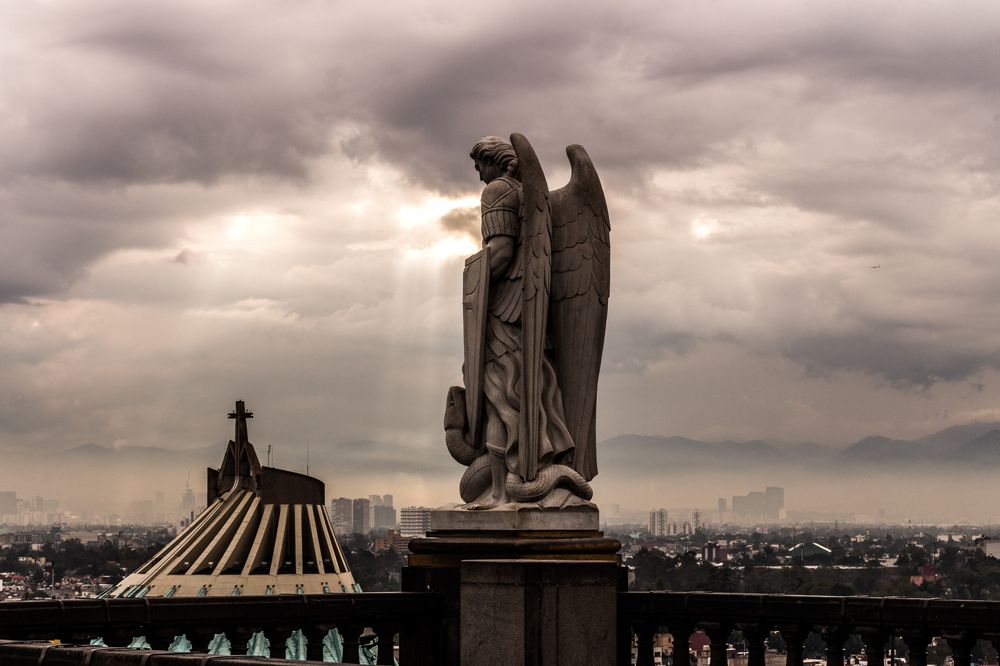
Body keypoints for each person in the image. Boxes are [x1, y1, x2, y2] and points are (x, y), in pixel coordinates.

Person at [468, 136, 575, 506]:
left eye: (479, 163)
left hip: (504, 313)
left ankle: (501, 491)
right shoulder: (527, 194)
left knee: (499, 394)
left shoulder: (497, 190)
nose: (477, 173)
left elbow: (499, 253)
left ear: (492, 161)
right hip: (526, 314)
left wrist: (471, 274)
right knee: (519, 394)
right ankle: (522, 479)